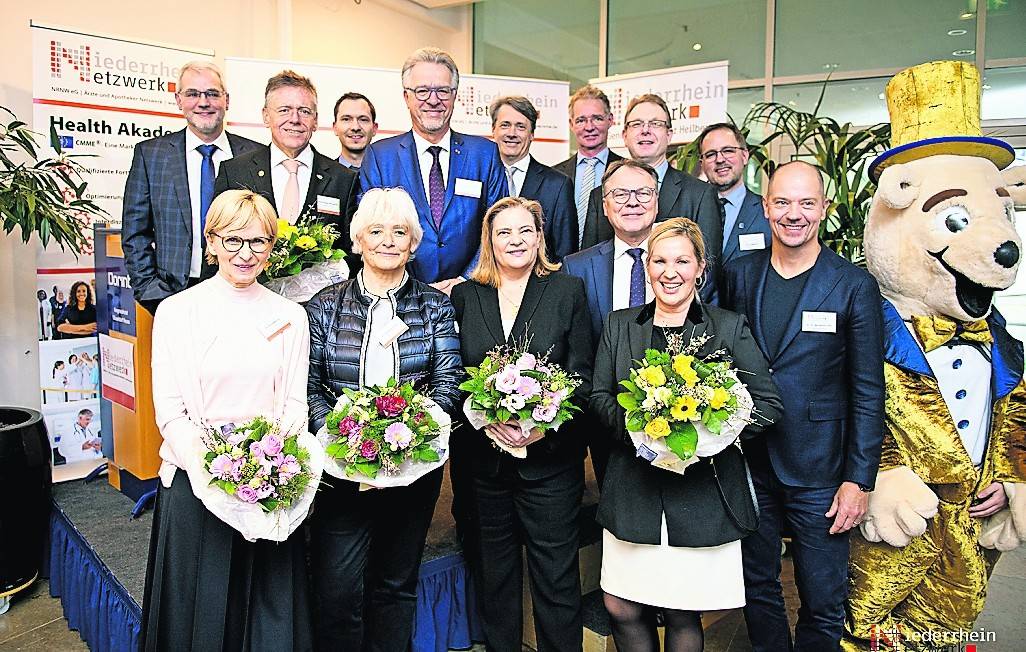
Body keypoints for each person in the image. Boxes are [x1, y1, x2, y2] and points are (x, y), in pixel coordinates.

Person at [590, 217, 783, 652]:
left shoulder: (727, 326)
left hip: (699, 493)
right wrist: (642, 436)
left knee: (681, 610)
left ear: (700, 268)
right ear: (647, 267)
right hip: (633, 488)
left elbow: (768, 405)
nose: (669, 271)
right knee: (621, 605)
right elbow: (600, 396)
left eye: (682, 260)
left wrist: (707, 437)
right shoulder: (619, 325)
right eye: (659, 260)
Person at [720, 161, 885, 651]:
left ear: (824, 210)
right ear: (766, 207)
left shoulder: (853, 284)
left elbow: (867, 389)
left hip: (821, 470)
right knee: (757, 586)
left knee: (822, 595)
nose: (794, 214)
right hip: (749, 461)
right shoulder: (739, 275)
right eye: (783, 202)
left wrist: (859, 479)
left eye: (806, 203)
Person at [141, 189, 312, 651]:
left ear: (272, 248)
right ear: (211, 241)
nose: (245, 253)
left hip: (272, 484)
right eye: (233, 240)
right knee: (199, 617)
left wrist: (271, 468)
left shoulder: (291, 316)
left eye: (258, 242)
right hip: (197, 485)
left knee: (266, 617)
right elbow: (170, 412)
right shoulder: (177, 312)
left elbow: (295, 405)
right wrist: (219, 472)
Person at [305, 187, 463, 652]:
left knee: (395, 587)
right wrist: (342, 435)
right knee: (337, 592)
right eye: (376, 230)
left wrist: (412, 438)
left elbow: (449, 383)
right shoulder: (324, 306)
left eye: (400, 231)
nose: (388, 240)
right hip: (340, 470)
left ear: (414, 243)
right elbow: (309, 387)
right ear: (357, 239)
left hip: (413, 471)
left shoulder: (434, 305)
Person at [450, 197, 593, 652]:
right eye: (504, 232)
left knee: (556, 579)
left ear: (540, 238)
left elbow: (584, 376)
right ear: (489, 241)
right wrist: (483, 418)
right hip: (483, 468)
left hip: (550, 465)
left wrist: (545, 424)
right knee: (495, 578)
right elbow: (452, 376)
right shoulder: (466, 296)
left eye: (525, 231)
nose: (515, 240)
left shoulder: (567, 291)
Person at [360, 47, 507, 290]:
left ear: (455, 95)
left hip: (472, 294)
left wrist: (465, 281)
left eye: (442, 91)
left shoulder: (485, 154)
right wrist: (408, 286)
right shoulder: (380, 156)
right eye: (422, 91)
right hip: (401, 295)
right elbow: (370, 230)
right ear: (406, 97)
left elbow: (498, 225)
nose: (433, 99)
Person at [122, 61, 262, 315]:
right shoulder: (150, 155)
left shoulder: (255, 155)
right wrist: (151, 291)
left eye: (212, 93)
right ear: (178, 100)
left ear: (226, 100)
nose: (203, 102)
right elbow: (135, 233)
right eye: (192, 94)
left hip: (244, 293)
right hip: (173, 294)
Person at [564, 159, 661, 485]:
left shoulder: (682, 260)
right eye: (620, 194)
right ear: (605, 206)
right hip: (602, 412)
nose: (632, 202)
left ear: (657, 200)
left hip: (673, 410)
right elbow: (574, 346)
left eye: (643, 193)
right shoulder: (577, 267)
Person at [580, 94, 722, 303]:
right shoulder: (598, 194)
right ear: (625, 135)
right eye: (637, 124)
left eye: (655, 123)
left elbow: (707, 271)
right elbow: (590, 267)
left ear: (669, 134)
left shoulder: (700, 194)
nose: (645, 130)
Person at [215, 71, 359, 253]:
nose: (295, 119)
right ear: (266, 116)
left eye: (304, 111)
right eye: (284, 110)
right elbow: (216, 243)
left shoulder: (344, 180)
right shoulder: (234, 172)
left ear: (315, 121)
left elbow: (350, 252)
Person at [489, 96, 575, 261]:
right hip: (483, 282)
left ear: (532, 134)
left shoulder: (557, 185)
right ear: (494, 130)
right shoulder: (479, 177)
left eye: (520, 127)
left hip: (538, 283)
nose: (512, 133)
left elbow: (565, 253)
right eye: (505, 125)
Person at [553, 85, 623, 250]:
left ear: (610, 120)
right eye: (581, 120)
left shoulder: (627, 172)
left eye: (597, 118)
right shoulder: (554, 175)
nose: (589, 127)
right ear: (571, 124)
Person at [697, 122, 771, 267]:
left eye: (728, 151)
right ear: (702, 164)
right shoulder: (690, 210)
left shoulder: (766, 212)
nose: (720, 159)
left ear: (744, 156)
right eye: (711, 154)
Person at [333, 92, 378, 171]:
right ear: (335, 128)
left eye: (363, 120)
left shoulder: (390, 175)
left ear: (374, 128)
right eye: (346, 119)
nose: (355, 127)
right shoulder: (322, 179)